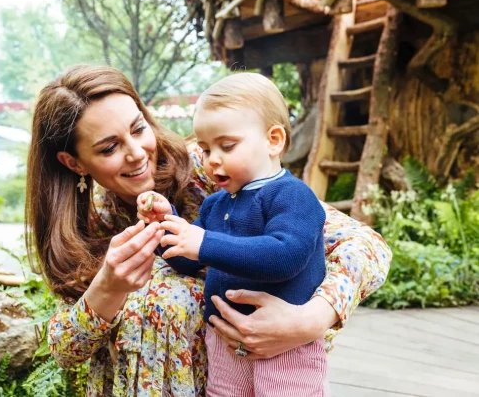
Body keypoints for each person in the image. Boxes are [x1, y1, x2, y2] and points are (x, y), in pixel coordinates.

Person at [26, 64, 392, 396]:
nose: (137, 152)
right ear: (74, 163)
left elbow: (365, 245)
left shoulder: (216, 170)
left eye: (139, 128)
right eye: (109, 148)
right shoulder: (87, 226)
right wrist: (109, 286)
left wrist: (311, 320)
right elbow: (65, 349)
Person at [137, 73, 329, 395]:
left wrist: (205, 243)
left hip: (285, 346)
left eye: (227, 145)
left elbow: (285, 256)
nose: (213, 159)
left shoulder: (293, 196)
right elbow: (187, 259)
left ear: (274, 140)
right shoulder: (215, 205)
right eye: (206, 148)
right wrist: (164, 225)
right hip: (224, 339)